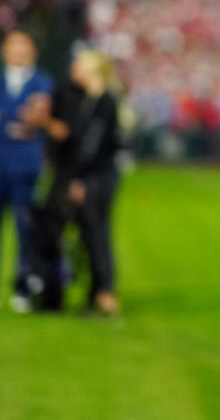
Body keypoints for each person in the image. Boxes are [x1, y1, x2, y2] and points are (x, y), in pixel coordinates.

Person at [36, 49, 124, 314]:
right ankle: (94, 294)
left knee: (96, 234)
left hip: (97, 177)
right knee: (89, 235)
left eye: (80, 64)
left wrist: (79, 179)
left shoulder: (103, 100)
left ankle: (103, 294)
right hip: (92, 175)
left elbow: (91, 146)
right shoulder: (89, 99)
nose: (74, 68)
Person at [0, 29, 54, 312]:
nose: (18, 51)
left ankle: (22, 286)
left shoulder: (42, 81)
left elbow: (37, 115)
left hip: (25, 167)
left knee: (26, 230)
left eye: (24, 45)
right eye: (13, 45)